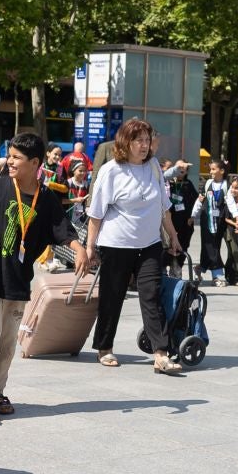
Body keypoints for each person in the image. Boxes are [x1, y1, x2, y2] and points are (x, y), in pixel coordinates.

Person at [0, 132, 85, 426]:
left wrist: (79, 248)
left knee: (8, 342)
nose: (9, 161)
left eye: (16, 158)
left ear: (34, 162)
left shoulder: (46, 198)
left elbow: (63, 230)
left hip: (18, 280)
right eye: (9, 156)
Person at [83, 118, 182, 372]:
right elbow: (96, 213)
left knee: (152, 296)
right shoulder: (111, 170)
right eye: (139, 140)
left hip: (149, 243)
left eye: (147, 141)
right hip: (116, 244)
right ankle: (104, 348)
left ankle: (161, 353)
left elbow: (164, 206)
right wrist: (90, 247)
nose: (144, 145)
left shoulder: (154, 168)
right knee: (112, 296)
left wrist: (172, 235)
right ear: (125, 142)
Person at [192, 159, 233, 285]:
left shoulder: (227, 185)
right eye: (210, 169)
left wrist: (235, 218)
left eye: (213, 169)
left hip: (220, 221)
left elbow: (231, 204)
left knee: (212, 246)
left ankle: (201, 268)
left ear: (222, 171)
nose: (211, 172)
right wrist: (193, 215)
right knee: (210, 245)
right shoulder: (208, 183)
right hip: (206, 220)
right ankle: (217, 274)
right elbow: (200, 200)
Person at [163, 159, 200, 260]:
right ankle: (164, 268)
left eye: (183, 170)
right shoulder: (168, 183)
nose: (180, 172)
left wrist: (192, 217)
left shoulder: (188, 184)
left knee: (183, 245)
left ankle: (177, 269)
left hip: (185, 221)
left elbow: (195, 202)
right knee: (166, 246)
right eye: (178, 169)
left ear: (187, 172)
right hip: (170, 219)